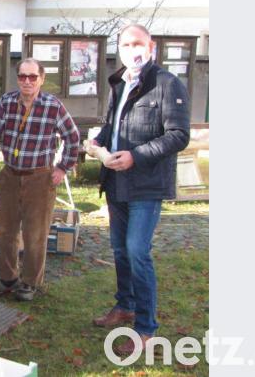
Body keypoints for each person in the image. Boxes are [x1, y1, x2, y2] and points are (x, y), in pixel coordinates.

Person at [90, 24, 190, 355]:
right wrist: (98, 141)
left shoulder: (166, 83)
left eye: (138, 44)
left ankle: (146, 328)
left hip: (146, 185)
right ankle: (125, 306)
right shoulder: (118, 82)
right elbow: (112, 125)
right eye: (126, 44)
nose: (132, 49)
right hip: (116, 181)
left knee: (137, 251)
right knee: (119, 251)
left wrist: (136, 156)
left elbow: (178, 135)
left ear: (151, 47)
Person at [0, 58, 80, 301]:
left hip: (39, 178)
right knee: (5, 231)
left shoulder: (52, 106)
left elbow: (73, 136)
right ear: (18, 79)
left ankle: (29, 282)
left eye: (32, 77)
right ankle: (7, 278)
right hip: (10, 176)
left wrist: (62, 168)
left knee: (35, 234)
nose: (27, 81)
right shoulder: (7, 101)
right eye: (22, 76)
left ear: (41, 79)